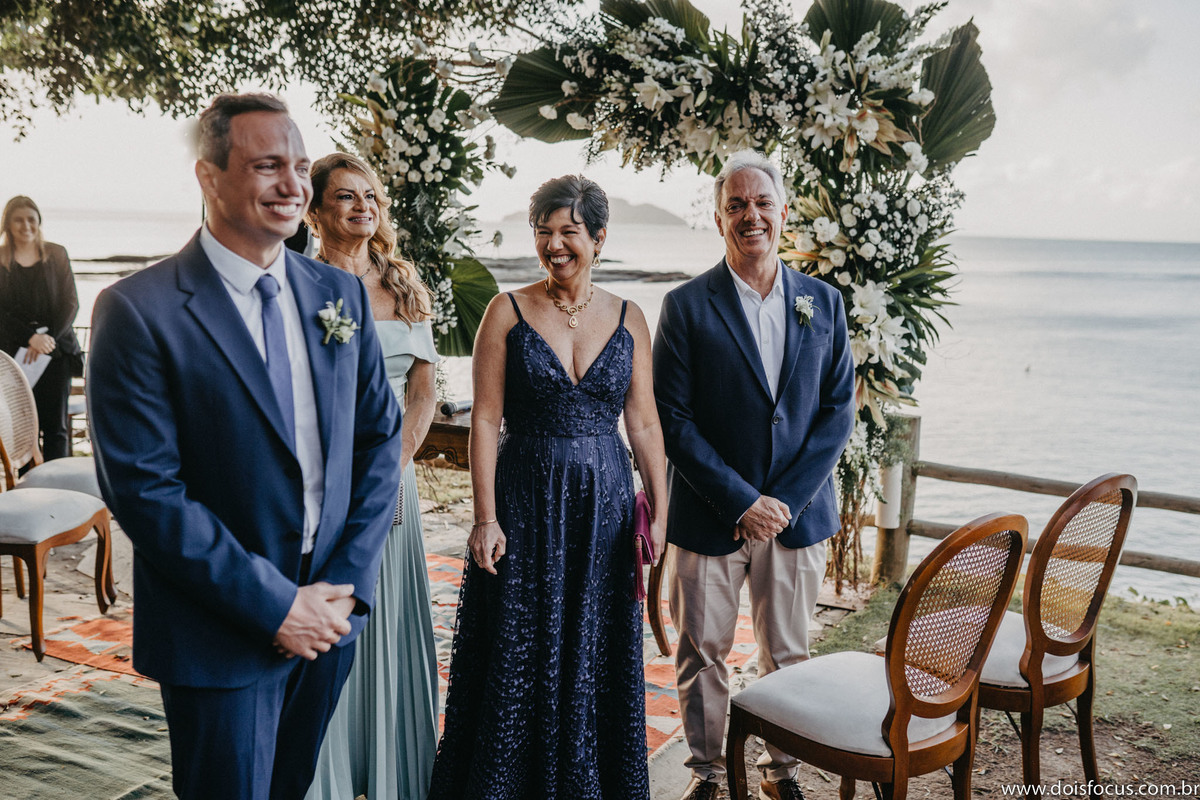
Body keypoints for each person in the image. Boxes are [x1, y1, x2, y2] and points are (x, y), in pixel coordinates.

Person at [87, 93, 403, 800]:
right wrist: (276, 607)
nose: (293, 186)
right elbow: (146, 492)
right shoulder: (138, 310)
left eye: (297, 166)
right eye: (267, 166)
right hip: (218, 630)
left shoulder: (337, 297)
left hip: (330, 616)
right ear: (208, 177)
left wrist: (345, 591)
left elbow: (379, 441)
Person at [427, 175, 668, 799]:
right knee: (517, 645)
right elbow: (484, 416)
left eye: (568, 232)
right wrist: (485, 517)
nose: (554, 245)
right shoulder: (505, 310)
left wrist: (661, 512)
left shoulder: (630, 317)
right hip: (525, 503)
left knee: (596, 644)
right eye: (543, 232)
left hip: (605, 513)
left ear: (599, 237)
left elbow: (642, 421)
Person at [652, 150, 855, 800]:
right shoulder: (685, 306)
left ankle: (781, 773)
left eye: (762, 203)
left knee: (788, 655)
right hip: (709, 516)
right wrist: (742, 501)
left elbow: (836, 414)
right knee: (700, 653)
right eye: (736, 205)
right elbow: (673, 419)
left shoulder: (824, 303)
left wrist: (784, 502)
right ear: (719, 220)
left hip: (794, 522)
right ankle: (709, 775)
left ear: (783, 213)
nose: (751, 215)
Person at [302, 152, 440, 800]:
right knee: (328, 611)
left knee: (388, 614)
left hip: (393, 473)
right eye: (345, 197)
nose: (363, 207)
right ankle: (322, 769)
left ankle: (394, 773)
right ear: (316, 209)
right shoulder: (296, 279)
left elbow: (422, 389)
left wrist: (394, 466)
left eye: (370, 197)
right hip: (318, 477)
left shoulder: (405, 283)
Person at [0, 196, 84, 460]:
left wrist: (46, 340)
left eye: (31, 219)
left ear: (38, 222)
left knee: (55, 426)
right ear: (8, 225)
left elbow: (70, 303)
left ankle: (58, 487)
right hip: (14, 355)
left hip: (55, 352)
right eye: (18, 219)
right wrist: (29, 338)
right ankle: (28, 492)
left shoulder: (56, 253)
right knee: (23, 428)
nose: (26, 225)